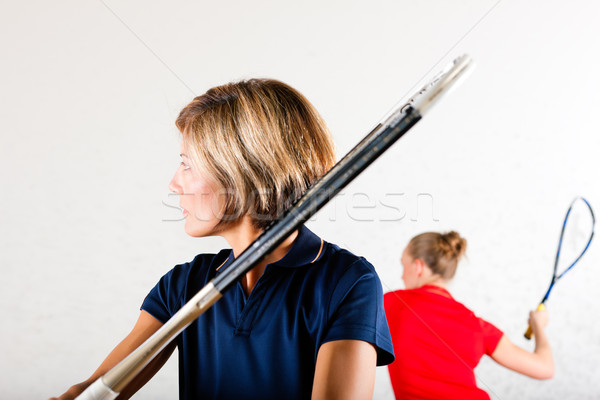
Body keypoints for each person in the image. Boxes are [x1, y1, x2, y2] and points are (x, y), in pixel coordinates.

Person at [50, 78, 394, 400]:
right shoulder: (183, 285)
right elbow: (99, 389)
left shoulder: (348, 282)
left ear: (240, 171)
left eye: (186, 164)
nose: (173, 183)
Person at [384, 231, 553, 400]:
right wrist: (538, 325)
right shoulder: (477, 325)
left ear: (418, 267)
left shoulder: (389, 304)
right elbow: (545, 368)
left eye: (403, 266)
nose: (402, 275)